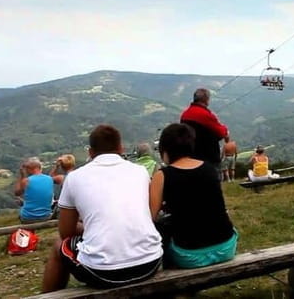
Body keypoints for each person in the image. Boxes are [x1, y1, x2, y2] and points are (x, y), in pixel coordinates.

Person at [41, 124, 163, 292]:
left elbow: (66, 232)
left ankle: (49, 296)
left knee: (59, 245)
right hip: (150, 262)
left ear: (90, 152)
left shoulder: (74, 178)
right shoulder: (140, 171)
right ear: (121, 148)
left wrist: (92, 227)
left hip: (103, 272)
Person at [149, 124, 237, 269]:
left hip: (188, 255)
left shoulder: (162, 176)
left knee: (161, 231)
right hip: (226, 248)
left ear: (165, 151)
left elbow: (151, 216)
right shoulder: (210, 169)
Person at [180, 88, 232, 180]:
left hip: (191, 157)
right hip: (208, 158)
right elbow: (221, 132)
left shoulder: (185, 115)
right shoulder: (206, 115)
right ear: (206, 100)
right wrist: (226, 131)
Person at [14, 157, 54, 224]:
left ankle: (29, 233)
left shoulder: (26, 180)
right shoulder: (50, 179)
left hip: (28, 218)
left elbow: (17, 193)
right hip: (46, 216)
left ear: (29, 169)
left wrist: (22, 176)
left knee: (23, 207)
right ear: (39, 167)